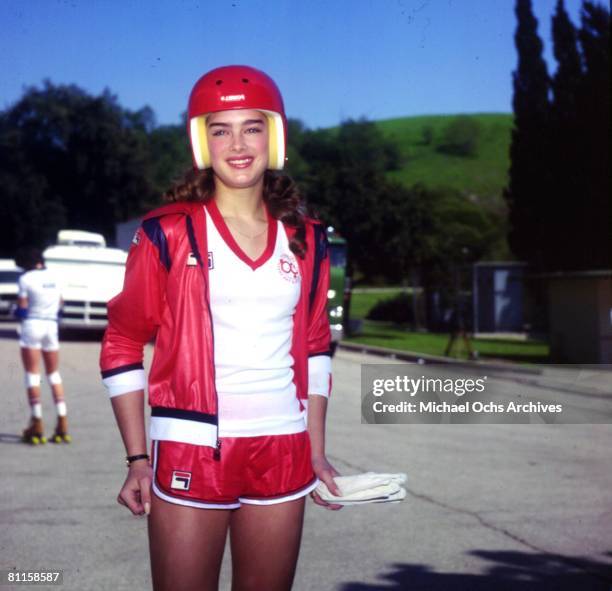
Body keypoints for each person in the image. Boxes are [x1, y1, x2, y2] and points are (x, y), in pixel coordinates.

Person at [100, 65, 342, 591]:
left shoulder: (308, 238)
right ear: (201, 141)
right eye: (220, 128)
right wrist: (138, 459)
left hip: (282, 446)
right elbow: (121, 340)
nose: (237, 143)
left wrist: (316, 450)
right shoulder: (164, 232)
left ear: (273, 136)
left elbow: (316, 345)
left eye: (251, 127)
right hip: (190, 448)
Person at [16, 248, 70, 444]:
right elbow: (61, 303)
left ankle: (37, 422)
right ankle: (62, 421)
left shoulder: (26, 278)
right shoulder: (55, 276)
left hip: (32, 324)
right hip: (51, 325)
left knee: (33, 374)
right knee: (53, 374)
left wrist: (17, 312)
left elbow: (22, 308)